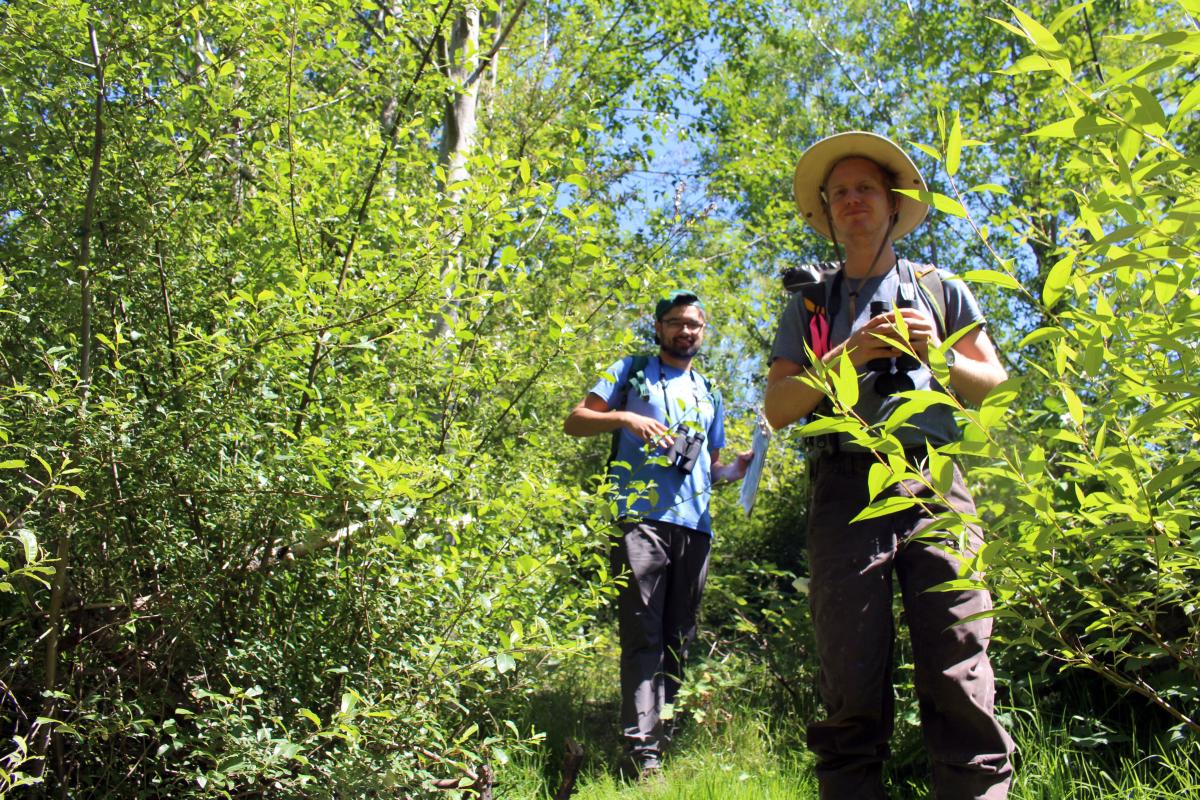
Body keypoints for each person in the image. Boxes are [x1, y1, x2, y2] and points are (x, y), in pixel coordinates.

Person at [764, 131, 1014, 800]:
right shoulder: (811, 305)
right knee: (850, 678)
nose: (851, 199)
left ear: (893, 202)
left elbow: (995, 383)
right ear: (826, 208)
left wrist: (941, 358)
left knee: (960, 662)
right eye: (839, 190)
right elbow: (779, 407)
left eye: (864, 188)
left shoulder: (940, 289)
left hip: (935, 480)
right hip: (845, 489)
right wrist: (849, 351)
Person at [564, 290, 751, 777]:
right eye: (675, 322)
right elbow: (576, 421)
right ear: (659, 327)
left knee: (678, 637)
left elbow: (709, 468)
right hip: (640, 519)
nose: (685, 331)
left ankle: (665, 738)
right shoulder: (632, 369)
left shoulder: (710, 390)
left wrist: (737, 470)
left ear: (702, 332)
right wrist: (625, 417)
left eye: (694, 324)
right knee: (643, 634)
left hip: (695, 526)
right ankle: (641, 754)